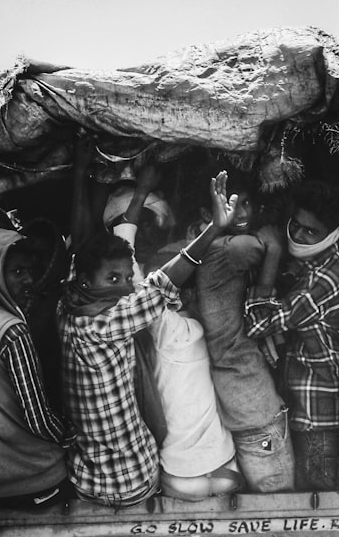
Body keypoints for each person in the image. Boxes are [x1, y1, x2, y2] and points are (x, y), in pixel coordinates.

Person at [58, 170, 239, 507]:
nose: (126, 287)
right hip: (136, 479)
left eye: (127, 278)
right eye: (114, 278)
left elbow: (136, 282)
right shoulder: (111, 322)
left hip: (88, 481)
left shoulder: (66, 308)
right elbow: (157, 286)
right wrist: (214, 229)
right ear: (84, 281)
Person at [117, 169, 244, 502]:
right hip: (225, 465)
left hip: (181, 474)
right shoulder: (214, 327)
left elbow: (128, 266)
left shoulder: (164, 328)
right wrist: (218, 228)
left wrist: (141, 193)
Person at [0, 228, 76, 509]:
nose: (29, 280)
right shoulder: (12, 331)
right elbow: (39, 420)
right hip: (31, 480)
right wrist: (72, 435)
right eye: (17, 272)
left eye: (29, 271)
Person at [245, 180, 339, 490]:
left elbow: (255, 324)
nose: (298, 235)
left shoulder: (323, 278)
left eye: (310, 232)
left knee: (317, 506)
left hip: (319, 417)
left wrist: (274, 252)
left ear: (331, 234)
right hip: (307, 409)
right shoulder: (315, 263)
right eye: (296, 225)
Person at [195, 173, 296, 493]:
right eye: (230, 204)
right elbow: (260, 245)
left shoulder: (204, 247)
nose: (241, 213)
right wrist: (277, 249)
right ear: (204, 214)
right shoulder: (231, 248)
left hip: (238, 398)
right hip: (254, 404)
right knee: (277, 507)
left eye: (247, 203)